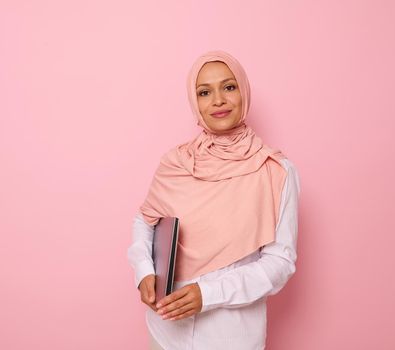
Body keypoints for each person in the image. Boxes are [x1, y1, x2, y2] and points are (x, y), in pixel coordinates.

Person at [127, 50, 301, 350]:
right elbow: (146, 220)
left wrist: (207, 294)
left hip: (231, 335)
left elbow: (279, 263)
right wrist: (144, 270)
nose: (218, 100)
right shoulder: (176, 162)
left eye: (229, 87)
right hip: (166, 331)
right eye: (204, 92)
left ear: (243, 92)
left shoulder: (276, 171)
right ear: (195, 102)